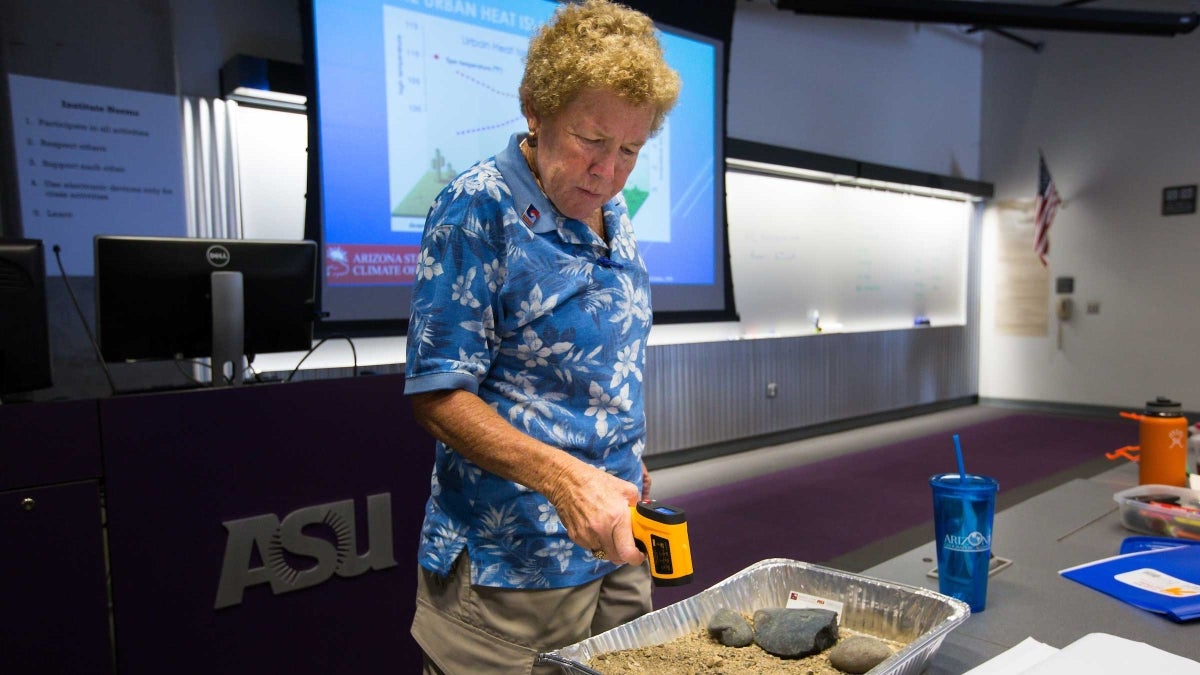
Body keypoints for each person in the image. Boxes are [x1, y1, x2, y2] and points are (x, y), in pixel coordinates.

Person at [403, 1, 681, 672]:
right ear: (536, 107)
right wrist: (563, 479)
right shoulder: (478, 206)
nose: (608, 172)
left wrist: (619, 455)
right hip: (511, 572)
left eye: (630, 151)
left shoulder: (613, 211)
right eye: (592, 139)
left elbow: (589, 367)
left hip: (615, 547)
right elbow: (436, 394)